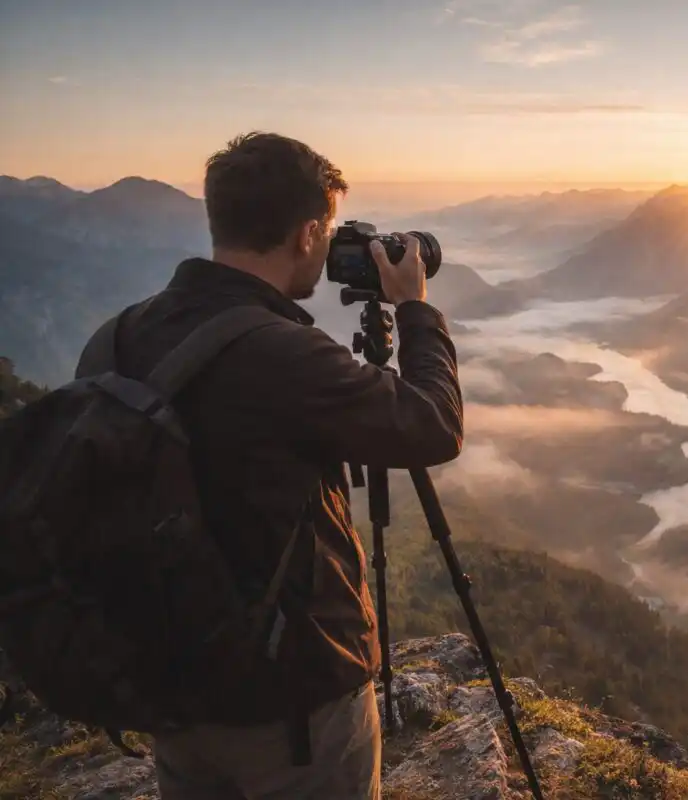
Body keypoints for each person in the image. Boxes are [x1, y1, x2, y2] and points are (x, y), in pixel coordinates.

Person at [78, 132, 464, 799]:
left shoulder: (114, 339)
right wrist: (415, 308)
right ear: (309, 231)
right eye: (332, 231)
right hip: (295, 709)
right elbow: (432, 425)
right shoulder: (286, 356)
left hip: (172, 690)